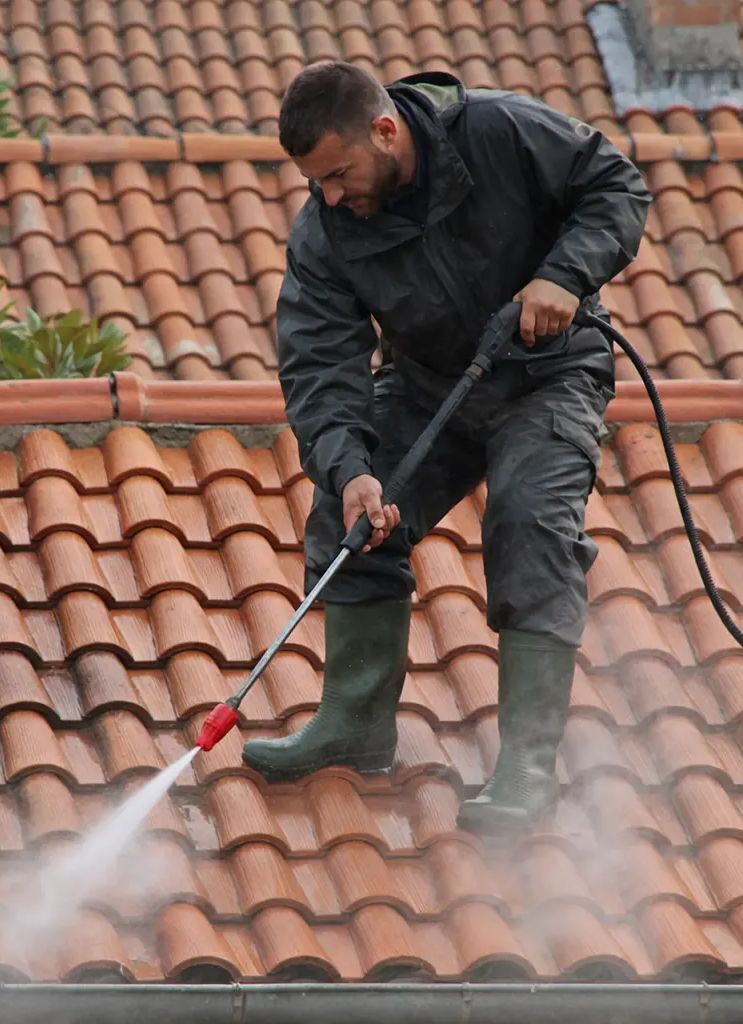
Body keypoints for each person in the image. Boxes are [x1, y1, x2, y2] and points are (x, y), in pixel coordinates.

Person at [241, 61, 651, 838]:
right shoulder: (325, 231)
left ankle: (527, 766)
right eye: (315, 182)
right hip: (433, 386)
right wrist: (353, 469)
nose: (328, 196)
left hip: (548, 377)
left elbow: (617, 186)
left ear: (386, 130)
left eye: (338, 173)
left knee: (528, 523)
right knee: (348, 517)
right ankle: (355, 726)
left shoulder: (498, 131)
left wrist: (564, 276)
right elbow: (321, 368)